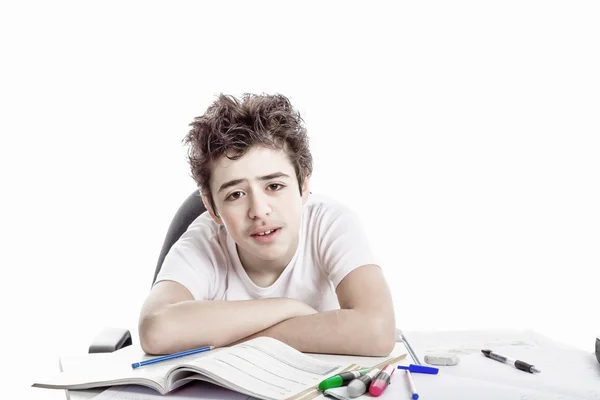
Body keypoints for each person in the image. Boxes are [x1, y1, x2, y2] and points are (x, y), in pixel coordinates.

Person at [138, 93, 396, 356]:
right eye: (235, 195)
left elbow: (377, 329)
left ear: (303, 186)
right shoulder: (203, 241)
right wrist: (288, 308)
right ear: (212, 208)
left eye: (274, 186)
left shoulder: (330, 224)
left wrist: (238, 340)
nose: (259, 210)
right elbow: (156, 328)